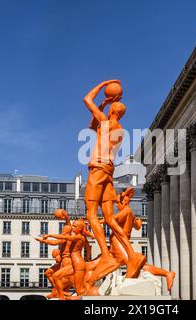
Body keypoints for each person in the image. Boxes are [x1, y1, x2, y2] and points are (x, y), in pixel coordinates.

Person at [83, 80, 146, 281]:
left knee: (91, 213)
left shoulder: (106, 123)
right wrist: (104, 105)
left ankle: (107, 255)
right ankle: (133, 254)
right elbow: (92, 125)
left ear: (112, 111)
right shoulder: (118, 129)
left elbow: (87, 99)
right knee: (109, 218)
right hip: (109, 171)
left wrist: (104, 85)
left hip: (98, 169)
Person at [86, 187, 175, 293]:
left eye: (118, 203)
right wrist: (138, 223)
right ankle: (90, 279)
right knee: (125, 264)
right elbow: (137, 226)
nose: (117, 206)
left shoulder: (126, 211)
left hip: (119, 242)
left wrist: (97, 221)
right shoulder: (131, 214)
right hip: (119, 243)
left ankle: (91, 282)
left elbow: (112, 219)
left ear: (124, 202)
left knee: (131, 264)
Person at [48, 219, 93, 299]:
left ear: (80, 229)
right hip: (74, 264)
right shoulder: (81, 238)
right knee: (55, 276)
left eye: (74, 226)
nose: (72, 227)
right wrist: (87, 257)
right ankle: (61, 296)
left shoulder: (79, 237)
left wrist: (50, 235)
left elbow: (64, 237)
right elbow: (88, 249)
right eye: (72, 225)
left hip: (78, 265)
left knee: (79, 290)